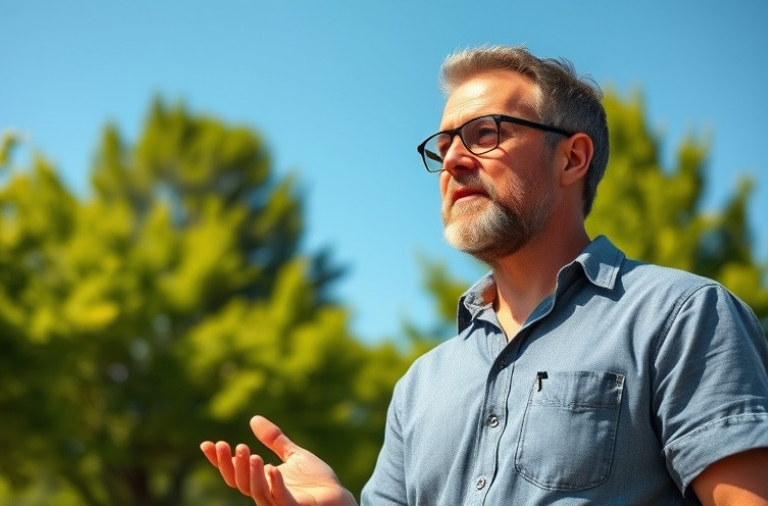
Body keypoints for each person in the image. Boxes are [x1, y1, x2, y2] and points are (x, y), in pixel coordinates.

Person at [200, 46, 768, 505]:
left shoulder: (682, 317)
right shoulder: (421, 384)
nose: (452, 160)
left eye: (486, 133)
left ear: (572, 159)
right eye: (444, 144)